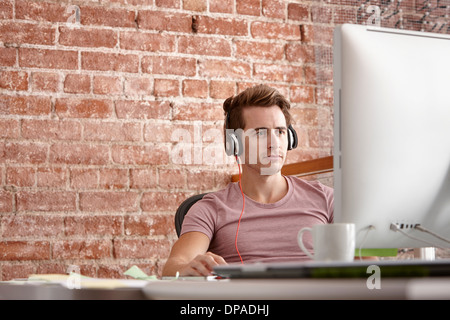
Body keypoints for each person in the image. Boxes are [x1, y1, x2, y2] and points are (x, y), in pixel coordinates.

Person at [162, 85, 333, 277]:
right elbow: (174, 266)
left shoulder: (326, 198)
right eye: (260, 132)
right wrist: (188, 267)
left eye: (280, 131)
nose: (274, 143)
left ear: (290, 138)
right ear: (234, 143)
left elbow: (367, 262)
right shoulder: (210, 209)